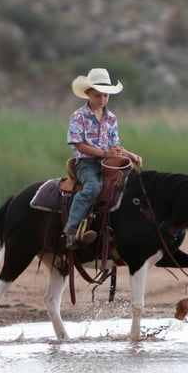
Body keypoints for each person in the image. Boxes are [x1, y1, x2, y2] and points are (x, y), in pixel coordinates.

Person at [63, 68, 142, 250]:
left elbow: (115, 145)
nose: (102, 99)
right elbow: (79, 145)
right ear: (88, 94)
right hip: (86, 163)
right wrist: (105, 154)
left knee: (129, 186)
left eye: (105, 95)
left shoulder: (111, 118)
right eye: (98, 95)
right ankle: (71, 230)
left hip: (109, 162)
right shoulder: (79, 116)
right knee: (93, 187)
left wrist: (131, 155)